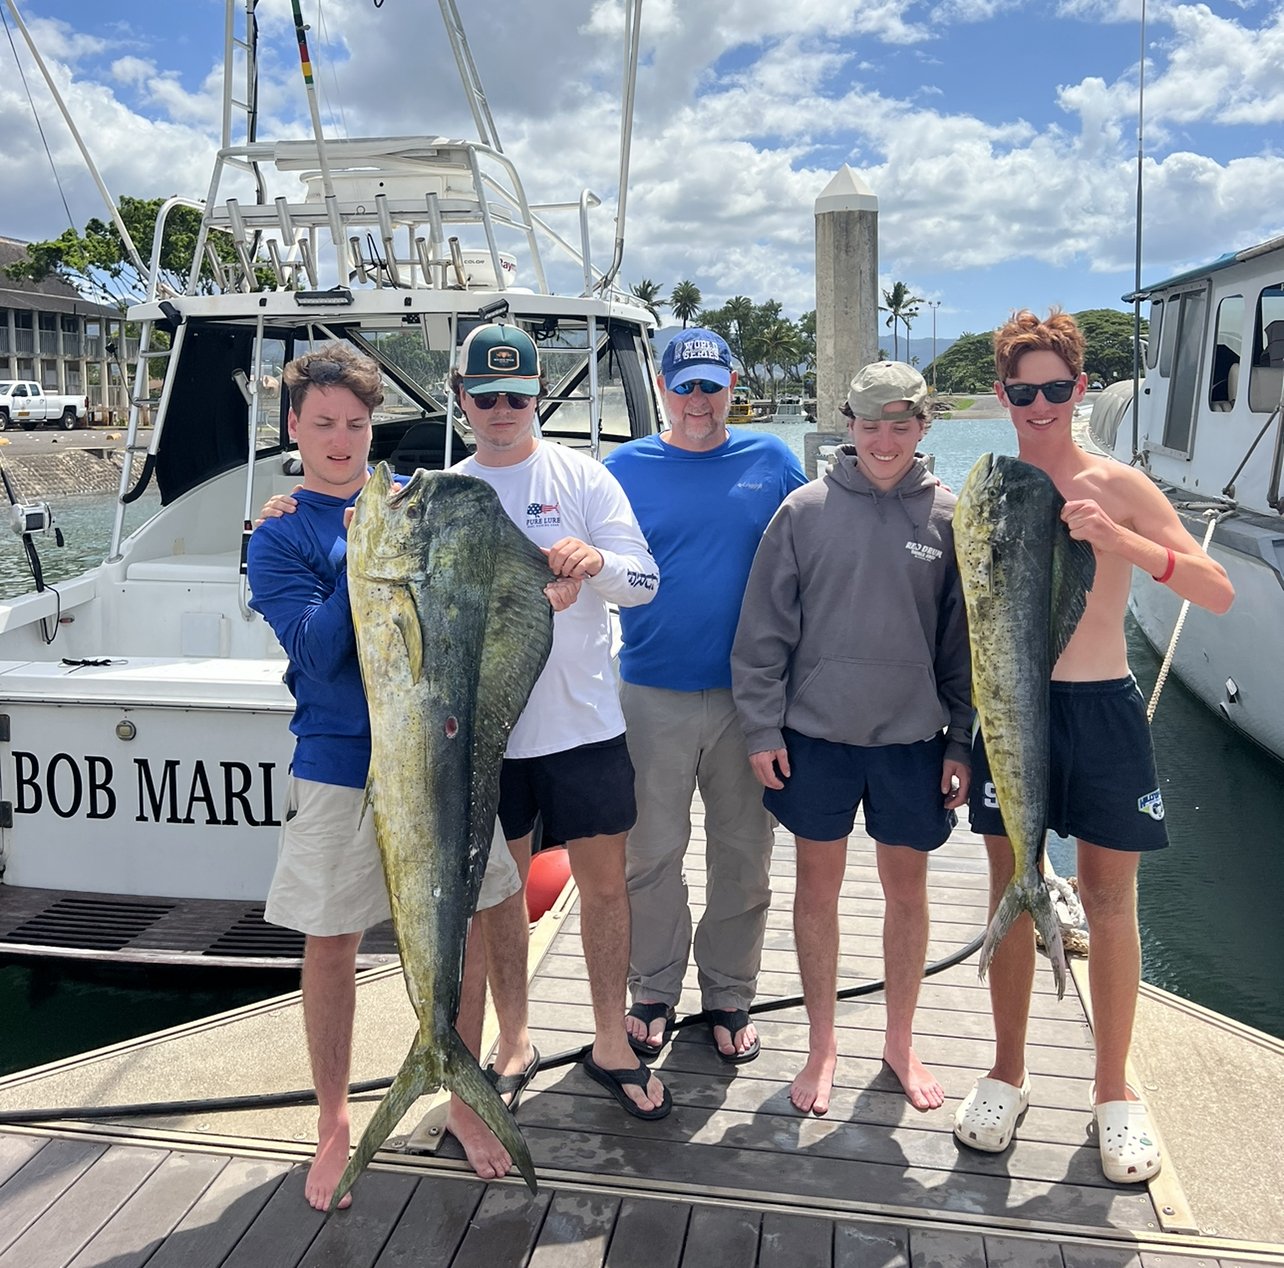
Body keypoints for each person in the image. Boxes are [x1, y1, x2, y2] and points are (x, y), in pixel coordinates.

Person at [246, 342, 537, 1207]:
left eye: (358, 424)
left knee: (478, 916)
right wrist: (360, 557)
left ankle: (462, 1097)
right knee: (331, 943)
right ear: (293, 427)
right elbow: (317, 651)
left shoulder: (420, 505)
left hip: (442, 756)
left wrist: (559, 572)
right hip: (339, 764)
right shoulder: (278, 535)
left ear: (376, 427)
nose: (342, 440)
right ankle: (333, 1122)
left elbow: (502, 576)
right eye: (324, 424)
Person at [953, 309, 1233, 1182]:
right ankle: (1008, 1073)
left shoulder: (1119, 484)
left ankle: (1114, 1093)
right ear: (1003, 396)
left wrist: (1122, 541)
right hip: (1009, 708)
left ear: (1080, 389)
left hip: (1102, 707)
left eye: (1058, 388)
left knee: (1110, 902)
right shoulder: (986, 485)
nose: (1041, 404)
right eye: (1023, 389)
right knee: (1011, 883)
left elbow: (1215, 589)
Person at [731, 361, 971, 1116]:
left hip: (912, 739)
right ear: (849, 425)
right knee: (818, 891)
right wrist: (762, 725)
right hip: (816, 738)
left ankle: (900, 1039)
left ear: (924, 427)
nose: (886, 439)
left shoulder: (950, 517)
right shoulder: (803, 511)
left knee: (908, 893)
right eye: (871, 424)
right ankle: (822, 1042)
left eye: (902, 424)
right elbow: (762, 635)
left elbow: (966, 645)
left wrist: (961, 741)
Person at [449, 322, 671, 1122]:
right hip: (487, 738)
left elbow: (643, 579)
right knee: (496, 899)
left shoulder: (585, 477)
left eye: (517, 395)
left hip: (583, 727)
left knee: (606, 887)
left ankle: (612, 1039)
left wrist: (594, 564)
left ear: (538, 396)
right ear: (461, 397)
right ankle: (514, 1041)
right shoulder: (447, 492)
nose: (502, 410)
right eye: (487, 396)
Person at [602, 327, 806, 1063]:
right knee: (650, 854)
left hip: (753, 701)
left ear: (732, 386)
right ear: (663, 387)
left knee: (744, 855)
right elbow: (536, 516)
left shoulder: (772, 459)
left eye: (711, 385)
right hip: (650, 691)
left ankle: (728, 992)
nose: (698, 400)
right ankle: (652, 988)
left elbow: (833, 527)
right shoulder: (620, 467)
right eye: (684, 385)